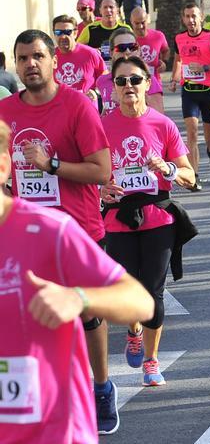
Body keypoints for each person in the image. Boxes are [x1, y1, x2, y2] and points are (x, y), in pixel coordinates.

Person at [0, 118, 155, 444]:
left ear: (3, 167)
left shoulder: (49, 230)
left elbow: (139, 301)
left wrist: (79, 299)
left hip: (51, 431)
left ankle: (102, 388)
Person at [0, 29, 122, 435]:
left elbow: (101, 171)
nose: (30, 64)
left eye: (37, 56)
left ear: (55, 61)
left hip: (77, 230)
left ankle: (101, 386)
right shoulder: (5, 112)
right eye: (22, 58)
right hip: (26, 234)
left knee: (85, 312)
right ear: (14, 65)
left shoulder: (77, 107)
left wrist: (52, 166)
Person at [99, 56, 196, 386]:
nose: (129, 86)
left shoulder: (161, 124)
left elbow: (188, 173)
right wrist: (101, 189)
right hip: (118, 218)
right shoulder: (101, 126)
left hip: (157, 217)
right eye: (121, 81)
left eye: (135, 80)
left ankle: (152, 361)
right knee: (127, 289)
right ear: (112, 89)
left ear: (146, 84)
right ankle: (133, 329)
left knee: (153, 291)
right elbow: (88, 174)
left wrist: (167, 169)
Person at [170, 3, 210, 190]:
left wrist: (205, 68)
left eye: (194, 16)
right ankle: (194, 176)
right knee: (192, 132)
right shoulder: (179, 38)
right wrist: (174, 78)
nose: (191, 20)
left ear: (201, 17)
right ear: (183, 18)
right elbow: (178, 60)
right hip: (189, 91)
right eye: (187, 16)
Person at [95, 28, 165, 115]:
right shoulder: (102, 81)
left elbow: (158, 116)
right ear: (111, 53)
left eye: (132, 47)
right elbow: (107, 111)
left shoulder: (147, 80)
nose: (127, 51)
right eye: (121, 48)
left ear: (138, 50)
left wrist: (122, 101)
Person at [51, 15, 104, 101]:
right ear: (54, 34)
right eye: (58, 32)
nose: (63, 36)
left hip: (87, 108)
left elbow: (105, 79)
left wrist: (96, 92)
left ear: (75, 33)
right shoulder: (49, 56)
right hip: (60, 110)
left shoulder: (90, 53)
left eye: (67, 32)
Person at [77, 0, 132, 74]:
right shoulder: (90, 29)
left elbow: (135, 51)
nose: (108, 10)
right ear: (100, 10)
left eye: (111, 7)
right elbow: (77, 49)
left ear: (117, 10)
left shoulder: (126, 29)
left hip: (121, 74)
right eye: (105, 7)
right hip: (98, 76)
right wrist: (91, 51)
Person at [130, 7, 170, 113]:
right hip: (133, 85)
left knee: (158, 115)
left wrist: (164, 62)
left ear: (147, 19)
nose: (140, 26)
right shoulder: (128, 39)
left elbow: (166, 51)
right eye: (136, 23)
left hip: (154, 83)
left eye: (143, 22)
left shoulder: (158, 36)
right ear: (131, 22)